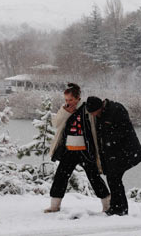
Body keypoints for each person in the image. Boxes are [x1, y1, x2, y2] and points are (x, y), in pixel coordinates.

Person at [44, 83, 110, 213]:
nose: (68, 103)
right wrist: (65, 112)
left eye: (71, 100)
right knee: (60, 177)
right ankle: (54, 206)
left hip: (85, 151)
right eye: (66, 100)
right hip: (68, 150)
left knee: (94, 177)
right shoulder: (65, 109)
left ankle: (107, 205)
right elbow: (55, 123)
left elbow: (96, 127)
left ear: (78, 98)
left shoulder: (88, 109)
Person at [86, 96, 141, 216]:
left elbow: (124, 130)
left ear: (100, 107)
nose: (93, 115)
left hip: (125, 151)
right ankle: (117, 207)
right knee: (112, 178)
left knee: (114, 178)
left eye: (94, 112)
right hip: (112, 153)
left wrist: (109, 141)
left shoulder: (116, 110)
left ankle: (120, 209)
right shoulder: (100, 114)